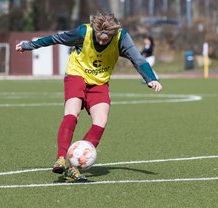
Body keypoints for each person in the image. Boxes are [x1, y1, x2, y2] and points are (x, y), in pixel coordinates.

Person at [15, 12, 162, 182]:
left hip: (99, 83)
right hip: (76, 75)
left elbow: (138, 59)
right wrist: (28, 45)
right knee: (72, 112)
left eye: (105, 40)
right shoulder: (83, 32)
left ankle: (73, 168)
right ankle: (61, 157)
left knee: (101, 121)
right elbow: (55, 38)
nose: (101, 42)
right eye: (99, 38)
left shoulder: (122, 38)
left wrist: (150, 79)